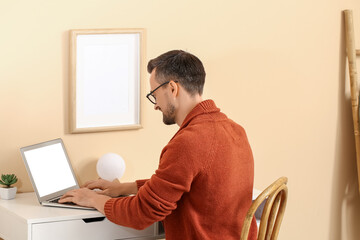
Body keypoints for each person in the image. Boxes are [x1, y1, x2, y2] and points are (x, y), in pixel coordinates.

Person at [60, 50, 257, 240]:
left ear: (172, 88)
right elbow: (190, 184)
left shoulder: (189, 141)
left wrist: (93, 199)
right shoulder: (235, 130)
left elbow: (141, 213)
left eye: (154, 94)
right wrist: (124, 188)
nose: (155, 105)